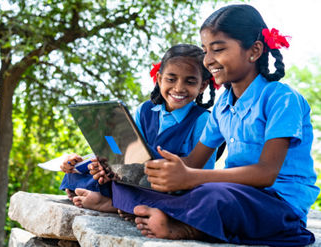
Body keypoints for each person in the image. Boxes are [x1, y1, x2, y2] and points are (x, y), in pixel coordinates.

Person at [111, 4, 320, 246]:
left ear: (254, 51)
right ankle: (144, 204)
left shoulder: (282, 99)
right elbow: (192, 163)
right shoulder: (222, 105)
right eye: (205, 50)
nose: (208, 60)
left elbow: (265, 173)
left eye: (218, 49)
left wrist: (190, 178)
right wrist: (139, 171)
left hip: (276, 204)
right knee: (140, 184)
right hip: (232, 192)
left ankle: (185, 228)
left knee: (214, 196)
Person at [60, 44, 220, 212]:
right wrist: (99, 165)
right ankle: (120, 200)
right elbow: (124, 154)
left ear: (202, 86)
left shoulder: (203, 119)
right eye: (171, 79)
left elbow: (202, 174)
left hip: (171, 185)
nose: (179, 88)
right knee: (79, 174)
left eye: (190, 81)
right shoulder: (145, 110)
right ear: (159, 79)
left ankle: (112, 204)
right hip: (134, 178)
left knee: (181, 196)